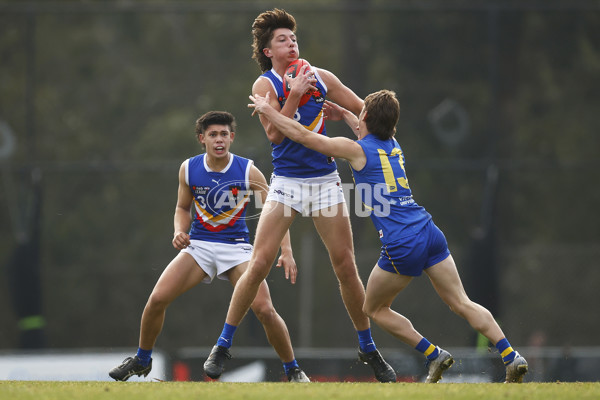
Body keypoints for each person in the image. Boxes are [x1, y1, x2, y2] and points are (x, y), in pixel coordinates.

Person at [248, 89, 530, 384]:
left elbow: (305, 137)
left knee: (373, 308)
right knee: (461, 301)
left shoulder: (357, 150)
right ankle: (511, 354)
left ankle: (433, 353)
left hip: (401, 242)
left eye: (360, 113)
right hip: (429, 230)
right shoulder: (394, 145)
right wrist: (345, 113)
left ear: (366, 116)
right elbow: (367, 131)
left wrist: (270, 112)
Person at [203, 9, 397, 383]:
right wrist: (292, 97)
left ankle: (368, 346)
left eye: (293, 37)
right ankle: (224, 344)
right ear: (267, 50)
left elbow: (364, 108)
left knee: (345, 265)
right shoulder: (265, 86)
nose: (291, 43)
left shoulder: (320, 77)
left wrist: (367, 130)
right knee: (258, 264)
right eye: (282, 39)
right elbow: (275, 136)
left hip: (325, 181)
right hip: (287, 183)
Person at [109, 111, 309, 382]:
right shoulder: (189, 168)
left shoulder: (248, 170)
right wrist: (179, 231)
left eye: (224, 134)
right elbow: (182, 207)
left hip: (237, 249)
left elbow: (275, 211)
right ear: (202, 139)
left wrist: (286, 250)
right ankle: (142, 360)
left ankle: (293, 370)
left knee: (264, 309)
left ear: (232, 138)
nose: (219, 140)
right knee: (157, 300)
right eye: (213, 134)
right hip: (199, 247)